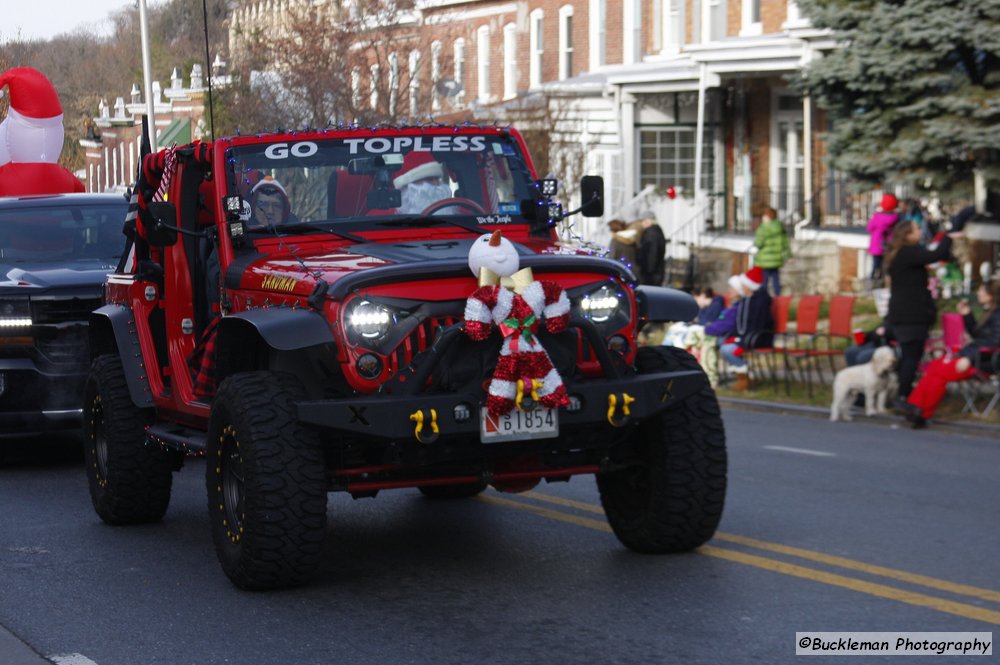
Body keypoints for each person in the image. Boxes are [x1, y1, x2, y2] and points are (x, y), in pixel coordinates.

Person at [902, 280, 1000, 428]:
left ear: (991, 295)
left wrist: (969, 358)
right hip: (974, 356)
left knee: (940, 372)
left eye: (981, 291)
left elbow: (995, 342)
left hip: (983, 361)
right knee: (935, 366)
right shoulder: (991, 312)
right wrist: (967, 315)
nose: (978, 293)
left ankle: (922, 412)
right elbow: (979, 336)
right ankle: (917, 407)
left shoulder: (997, 315)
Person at [883, 219, 954, 401]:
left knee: (909, 356)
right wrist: (948, 234)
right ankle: (904, 396)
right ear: (907, 235)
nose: (920, 232)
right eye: (916, 230)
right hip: (911, 316)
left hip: (904, 314)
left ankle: (903, 392)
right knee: (911, 357)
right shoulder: (908, 253)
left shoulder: (901, 253)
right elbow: (937, 253)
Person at [702, 266, 773, 391]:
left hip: (757, 338)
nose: (742, 288)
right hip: (746, 336)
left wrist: (740, 340)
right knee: (720, 342)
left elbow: (755, 325)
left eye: (744, 285)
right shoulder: (748, 300)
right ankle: (740, 377)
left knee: (727, 349)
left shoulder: (759, 302)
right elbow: (741, 325)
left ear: (750, 286)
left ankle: (745, 379)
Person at [753, 206, 791, 295]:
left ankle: (763, 297)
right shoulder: (779, 227)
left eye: (764, 215)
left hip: (765, 260)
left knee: (764, 280)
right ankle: (778, 296)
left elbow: (758, 243)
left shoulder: (763, 228)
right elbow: (785, 243)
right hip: (776, 259)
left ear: (767, 217)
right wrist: (789, 255)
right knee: (776, 279)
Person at [866, 193, 900, 281]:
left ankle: (874, 281)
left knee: (875, 266)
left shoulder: (877, 217)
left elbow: (869, 228)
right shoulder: (895, 217)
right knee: (885, 266)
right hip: (888, 245)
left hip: (876, 245)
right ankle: (883, 279)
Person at [635, 211, 667, 286]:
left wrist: (647, 272)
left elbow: (652, 254)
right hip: (656, 273)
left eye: (642, 221)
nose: (641, 224)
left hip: (650, 276)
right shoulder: (656, 231)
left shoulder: (651, 234)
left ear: (648, 221)